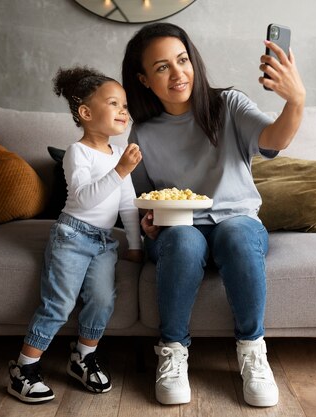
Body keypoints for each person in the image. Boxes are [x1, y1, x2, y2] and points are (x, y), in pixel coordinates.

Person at [122, 23, 305, 407]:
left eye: (182, 60)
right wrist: (146, 220)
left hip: (236, 220)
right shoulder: (143, 131)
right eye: (161, 68)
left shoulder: (229, 105)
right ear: (143, 79)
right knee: (184, 240)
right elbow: (139, 195)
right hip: (177, 229)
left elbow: (274, 140)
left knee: (238, 235)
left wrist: (296, 100)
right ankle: (172, 351)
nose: (177, 74)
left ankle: (253, 352)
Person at [7, 66, 144, 404]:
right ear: (86, 113)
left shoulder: (117, 153)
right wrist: (121, 170)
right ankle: (24, 368)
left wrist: (136, 244)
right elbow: (84, 197)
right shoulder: (77, 152)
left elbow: (127, 203)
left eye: (125, 105)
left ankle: (83, 356)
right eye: (114, 103)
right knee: (59, 303)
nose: (123, 111)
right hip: (72, 235)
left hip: (104, 242)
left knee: (102, 299)